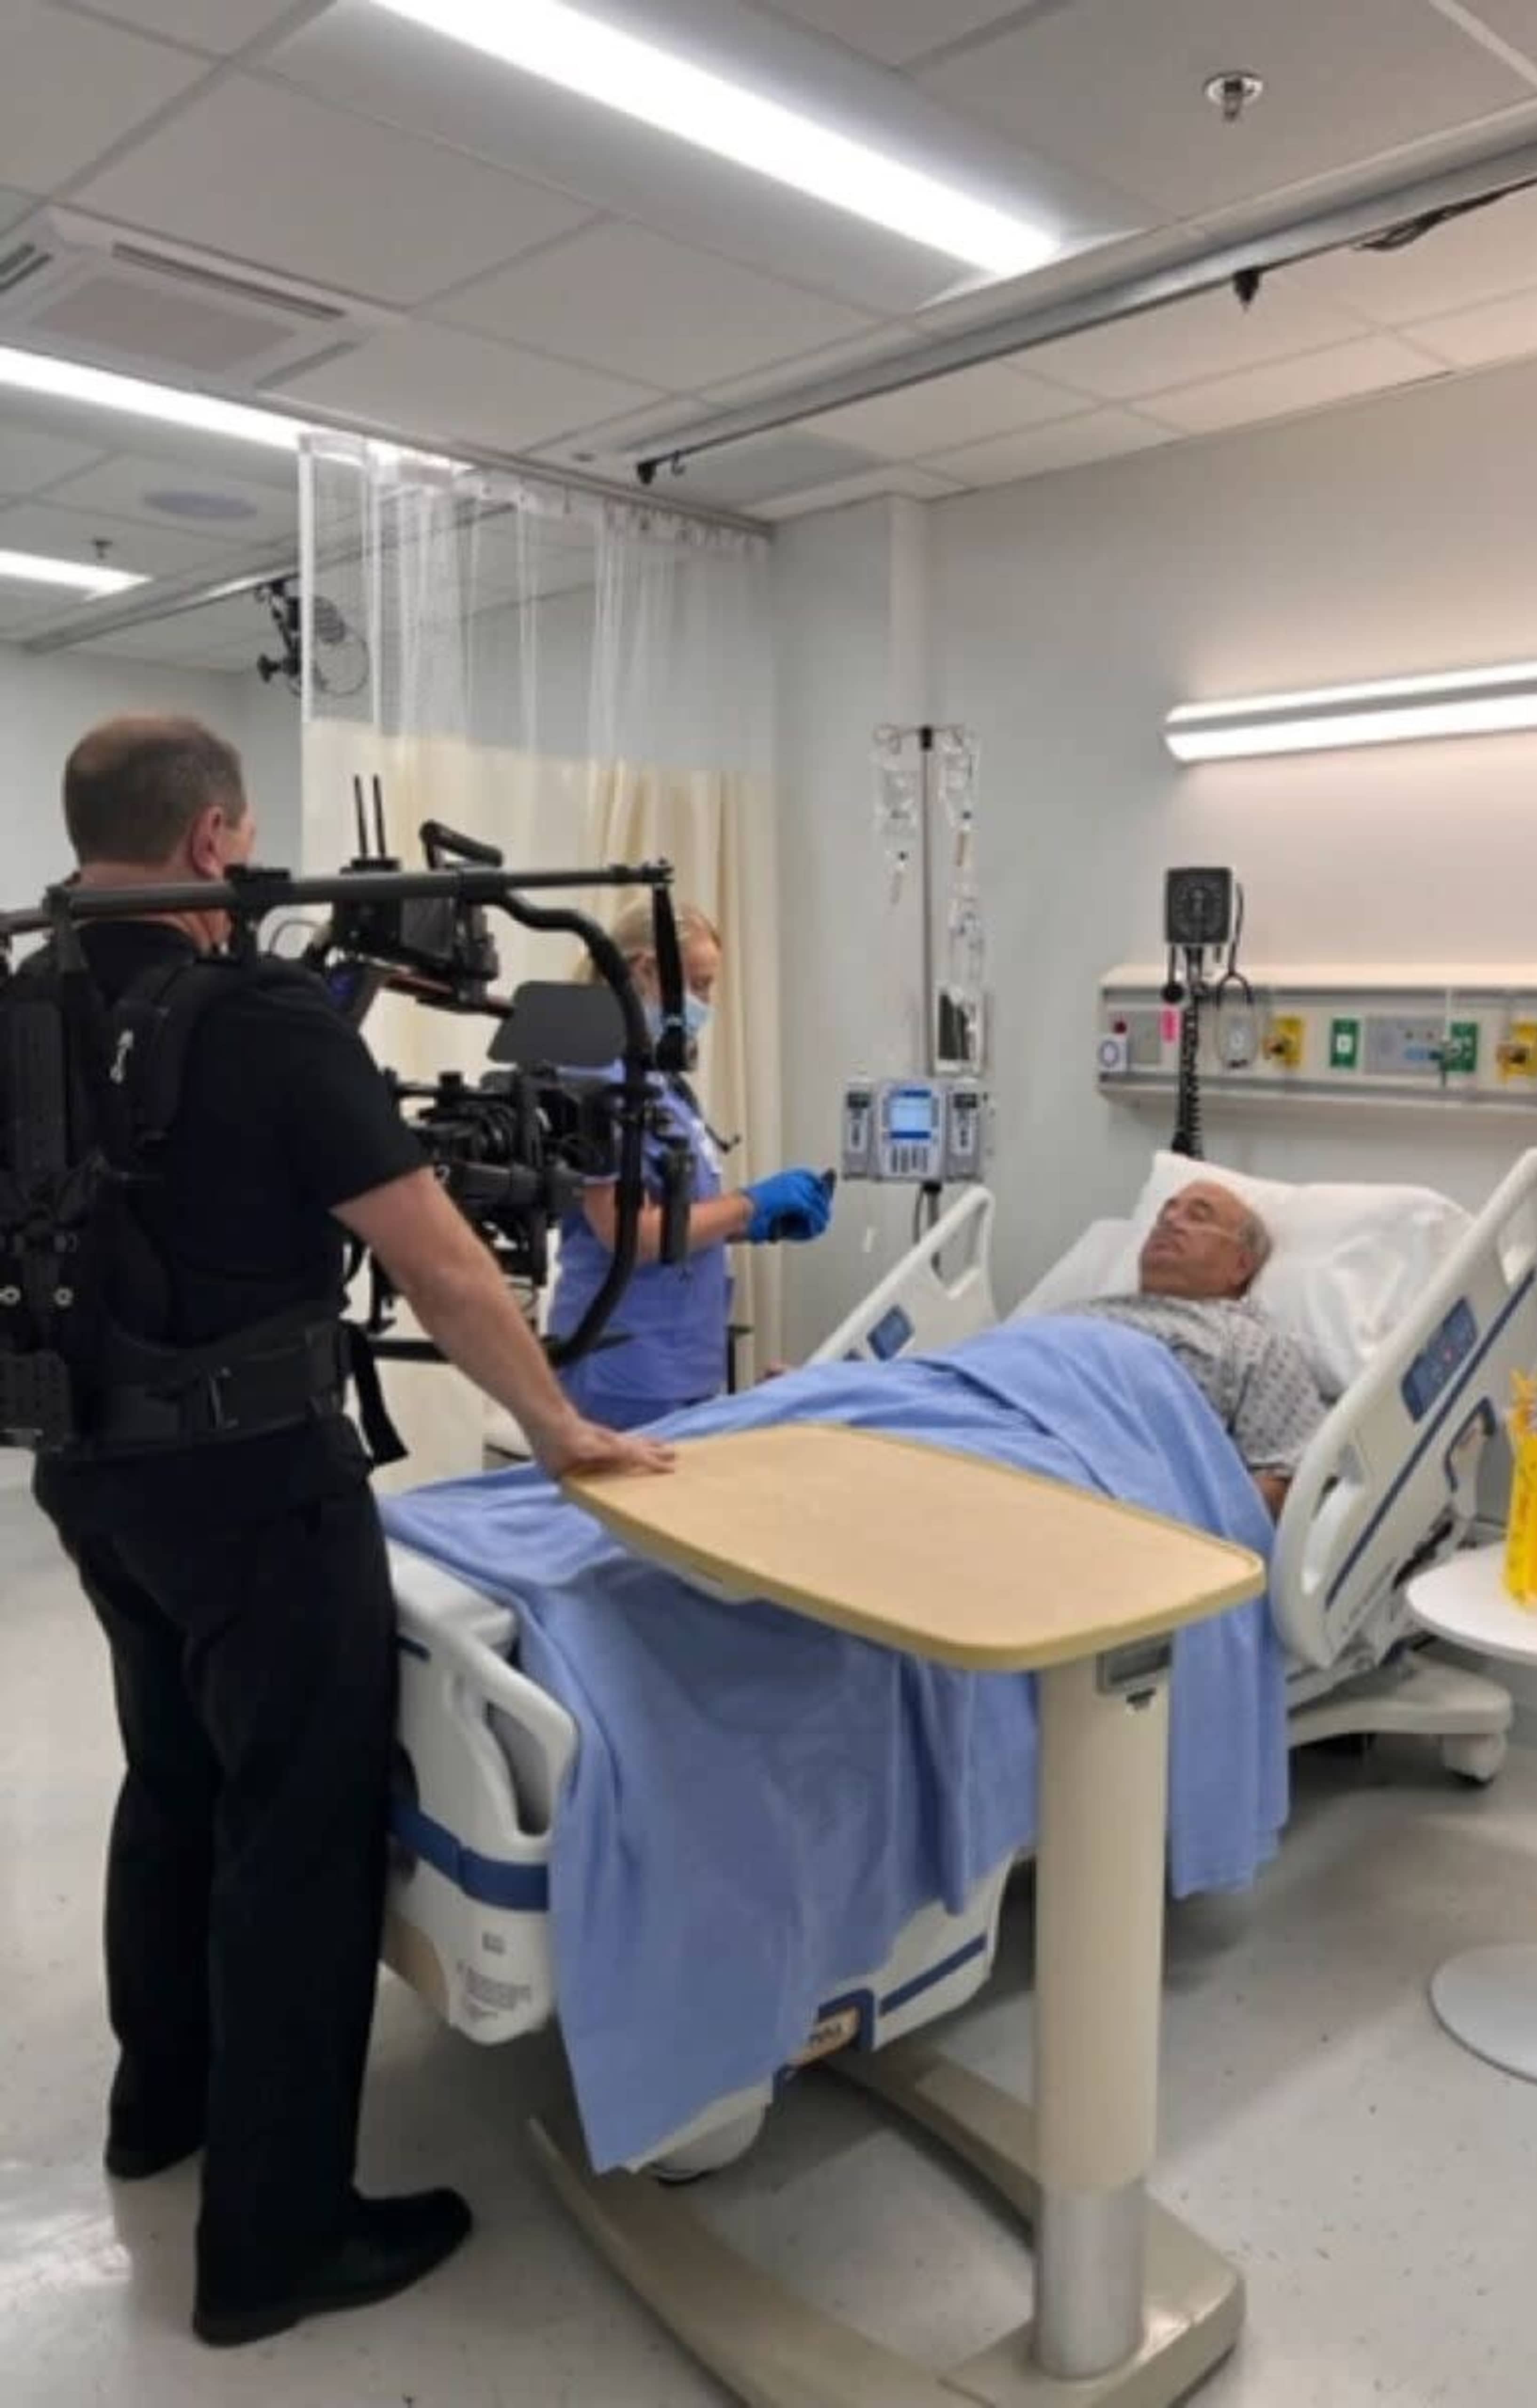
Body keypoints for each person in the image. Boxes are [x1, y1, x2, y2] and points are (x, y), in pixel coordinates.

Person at [20, 717, 673, 2350]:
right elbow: (442, 1263)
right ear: (217, 837)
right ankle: (278, 2240)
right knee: (293, 1830)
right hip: (255, 1483)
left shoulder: (24, 998)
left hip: (92, 1471)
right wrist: (560, 1426)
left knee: (174, 1777)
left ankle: (159, 2111)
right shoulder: (257, 1019)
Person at [548, 898, 833, 1429]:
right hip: (625, 1365)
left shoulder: (657, 1081)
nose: (706, 1003)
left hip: (678, 1361)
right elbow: (623, 1232)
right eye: (699, 986)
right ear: (645, 972)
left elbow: (676, 1215)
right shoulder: (596, 1073)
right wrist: (748, 1205)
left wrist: (758, 1223)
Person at [1073, 1180, 1325, 1516]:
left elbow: (1286, 1478)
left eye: (1198, 1216)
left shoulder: (1249, 1341)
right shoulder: (1081, 1311)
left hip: (1092, 1492)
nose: (1170, 1221)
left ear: (1240, 1265)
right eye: (1165, 1214)